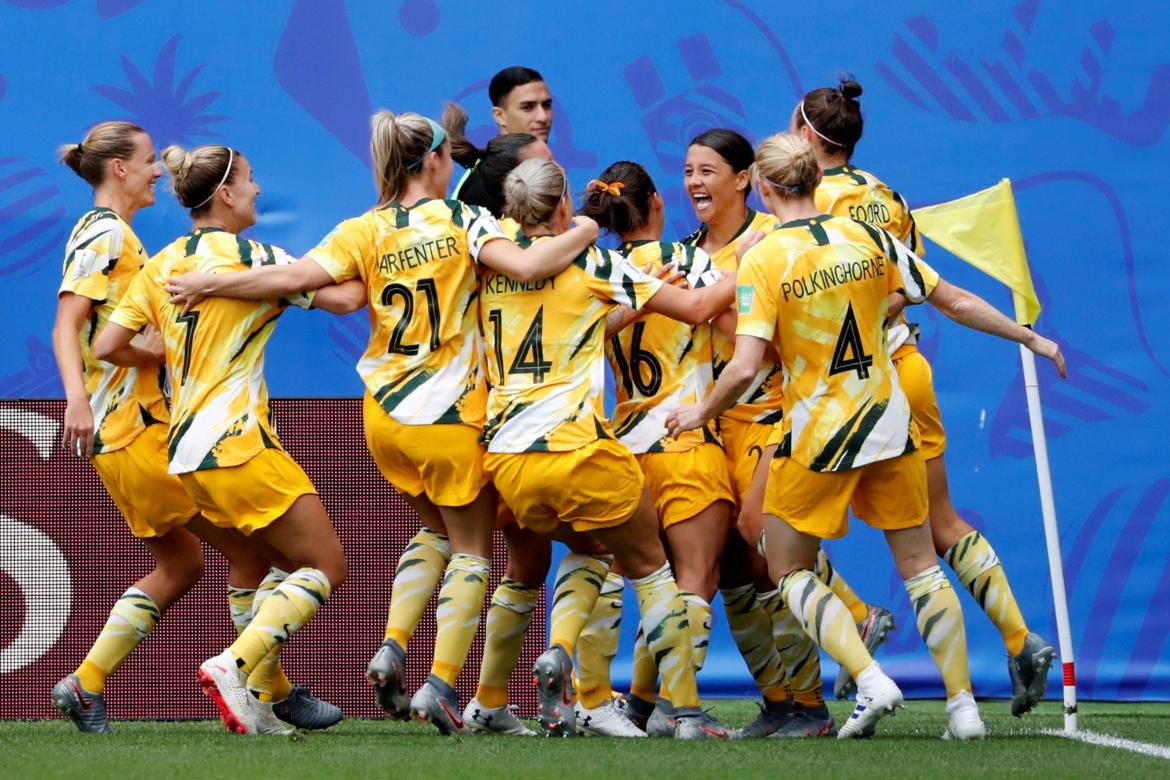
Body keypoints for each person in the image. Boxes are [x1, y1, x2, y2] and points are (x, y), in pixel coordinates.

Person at [161, 109, 600, 736]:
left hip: (385, 418)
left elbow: (297, 279)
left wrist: (214, 281)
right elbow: (530, 268)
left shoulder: (363, 229)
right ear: (433, 163)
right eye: (448, 157)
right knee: (474, 551)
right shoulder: (462, 219)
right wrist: (585, 227)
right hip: (449, 414)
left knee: (435, 537)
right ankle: (444, 687)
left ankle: (395, 645)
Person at [667, 132, 1066, 739]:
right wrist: (1030, 337)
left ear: (766, 188)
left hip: (818, 434)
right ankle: (963, 710)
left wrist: (699, 414)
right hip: (889, 422)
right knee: (921, 566)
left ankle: (870, 678)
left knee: (788, 568)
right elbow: (952, 301)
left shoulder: (765, 257)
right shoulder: (871, 238)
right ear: (814, 182)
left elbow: (746, 365)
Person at [792, 79, 1056, 713]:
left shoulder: (807, 205)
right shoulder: (889, 196)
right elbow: (917, 287)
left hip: (843, 385)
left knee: (777, 538)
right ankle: (1020, 640)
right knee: (939, 525)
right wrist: (1029, 336)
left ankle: (855, 631)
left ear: (804, 134)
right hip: (907, 366)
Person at [93, 143, 362, 735]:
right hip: (238, 441)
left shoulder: (161, 264)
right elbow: (347, 299)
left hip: (184, 451)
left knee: (267, 563)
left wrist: (159, 352)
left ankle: (263, 700)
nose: (259, 190)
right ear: (226, 194)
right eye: (251, 179)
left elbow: (106, 347)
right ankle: (235, 667)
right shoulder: (258, 257)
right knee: (326, 564)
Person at [49, 122, 299, 735]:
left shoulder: (118, 237)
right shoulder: (106, 234)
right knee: (253, 552)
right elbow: (69, 325)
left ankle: (85, 684)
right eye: (145, 160)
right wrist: (77, 400)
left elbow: (112, 341)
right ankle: (268, 691)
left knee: (182, 565)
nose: (158, 169)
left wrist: (151, 353)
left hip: (123, 435)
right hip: (134, 430)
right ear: (119, 171)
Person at [479, 157, 737, 739]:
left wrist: (635, 306)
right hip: (581, 450)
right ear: (565, 206)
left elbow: (575, 323)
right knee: (652, 571)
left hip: (508, 460)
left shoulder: (487, 261)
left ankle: (538, 673)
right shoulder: (595, 260)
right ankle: (687, 713)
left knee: (587, 555)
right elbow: (698, 309)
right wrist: (746, 266)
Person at [566, 161, 734, 736]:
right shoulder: (689, 263)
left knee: (630, 578)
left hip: (624, 448)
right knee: (693, 580)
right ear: (658, 203)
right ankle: (672, 705)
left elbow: (584, 335)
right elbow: (736, 327)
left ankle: (620, 701)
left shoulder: (599, 268)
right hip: (687, 438)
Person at [680, 128, 833, 737]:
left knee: (769, 543)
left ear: (746, 180)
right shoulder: (687, 251)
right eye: (688, 170)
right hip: (716, 429)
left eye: (708, 170)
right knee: (740, 572)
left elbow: (763, 337)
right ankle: (781, 702)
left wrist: (712, 306)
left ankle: (822, 692)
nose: (694, 182)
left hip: (771, 415)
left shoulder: (770, 239)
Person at [452, 66, 553, 205]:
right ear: (499, 116)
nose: (542, 117)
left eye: (546, 105)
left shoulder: (530, 171)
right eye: (528, 107)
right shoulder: (482, 188)